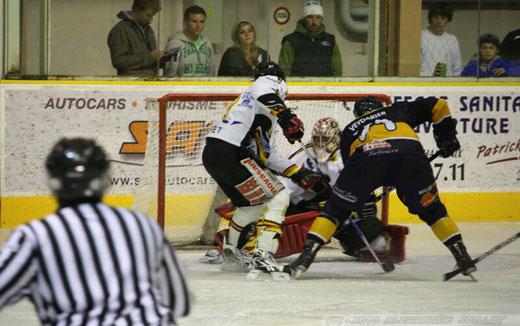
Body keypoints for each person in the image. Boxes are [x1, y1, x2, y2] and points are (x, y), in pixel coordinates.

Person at [0, 138, 191, 324]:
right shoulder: (142, 224)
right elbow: (179, 303)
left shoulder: (36, 235)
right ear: (104, 179)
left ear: (53, 181)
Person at [285, 96, 477, 280]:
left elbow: (354, 174)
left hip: (368, 159)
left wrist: (356, 199)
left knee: (335, 210)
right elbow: (438, 105)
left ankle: (306, 257)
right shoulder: (398, 110)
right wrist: (446, 137)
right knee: (433, 210)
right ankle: (462, 256)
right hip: (410, 156)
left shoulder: (351, 129)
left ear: (358, 115)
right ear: (380, 106)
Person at [202, 61, 329, 279]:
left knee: (249, 206)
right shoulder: (267, 83)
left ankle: (232, 253)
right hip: (233, 151)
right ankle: (263, 255)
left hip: (213, 153)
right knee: (278, 196)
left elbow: (266, 154)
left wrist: (297, 174)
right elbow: (263, 88)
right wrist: (286, 116)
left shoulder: (250, 107)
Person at [278, 0, 342, 77]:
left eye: (318, 17)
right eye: (310, 17)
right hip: (298, 87)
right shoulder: (291, 41)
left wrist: (335, 87)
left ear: (321, 19)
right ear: (304, 19)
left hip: (325, 87)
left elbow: (337, 69)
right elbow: (284, 70)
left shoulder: (330, 41)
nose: (314, 21)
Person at [107, 0, 164, 77]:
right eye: (148, 15)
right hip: (131, 84)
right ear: (137, 10)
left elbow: (150, 60)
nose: (151, 20)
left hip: (150, 81)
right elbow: (119, 62)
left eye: (152, 16)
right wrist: (150, 57)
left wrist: (163, 59)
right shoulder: (121, 30)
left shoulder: (148, 29)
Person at [164, 5, 215, 77]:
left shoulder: (207, 44)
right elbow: (170, 74)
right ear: (185, 22)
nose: (198, 25)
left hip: (203, 86)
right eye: (194, 21)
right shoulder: (174, 43)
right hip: (182, 86)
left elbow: (211, 71)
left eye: (202, 22)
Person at [420, 2, 462, 77]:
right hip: (424, 84)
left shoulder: (452, 39)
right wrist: (431, 76)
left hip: (447, 85)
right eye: (435, 17)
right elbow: (414, 68)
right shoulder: (420, 36)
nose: (439, 22)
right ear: (430, 19)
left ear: (448, 20)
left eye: (443, 18)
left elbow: (457, 69)